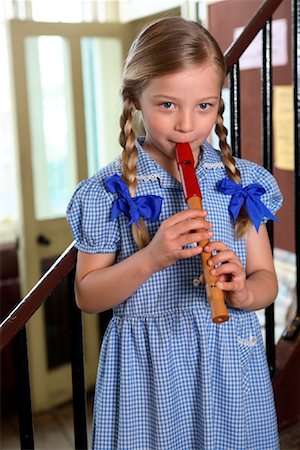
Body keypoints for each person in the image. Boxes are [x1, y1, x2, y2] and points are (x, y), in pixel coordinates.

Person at [66, 16, 283, 450]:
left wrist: (242, 291)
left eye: (204, 106)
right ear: (135, 101)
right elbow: (87, 297)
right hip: (149, 373)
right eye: (167, 105)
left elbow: (267, 281)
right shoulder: (108, 192)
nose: (187, 125)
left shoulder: (240, 183)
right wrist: (152, 257)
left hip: (229, 363)